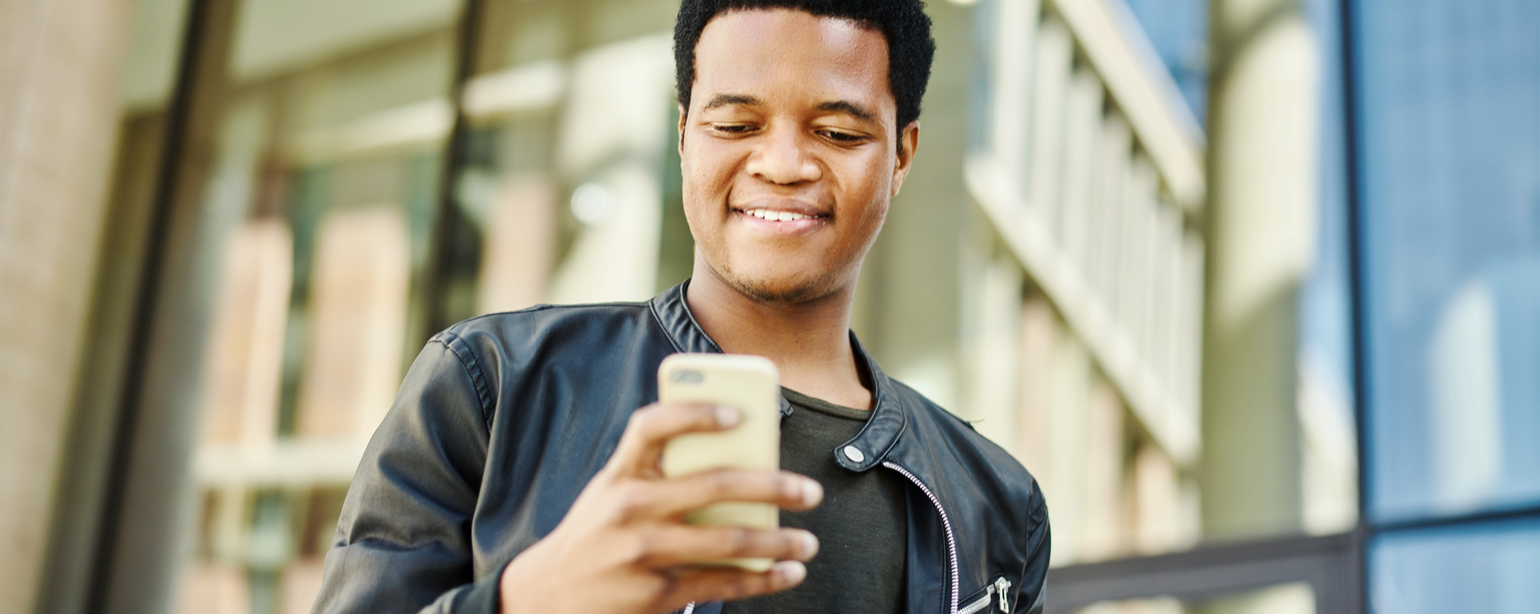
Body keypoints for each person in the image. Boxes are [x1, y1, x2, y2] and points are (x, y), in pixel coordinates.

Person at [311, 1, 1050, 612]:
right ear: (683, 135)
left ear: (900, 157)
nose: (784, 164)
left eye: (837, 132)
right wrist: (534, 599)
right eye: (736, 125)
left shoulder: (996, 505)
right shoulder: (491, 384)